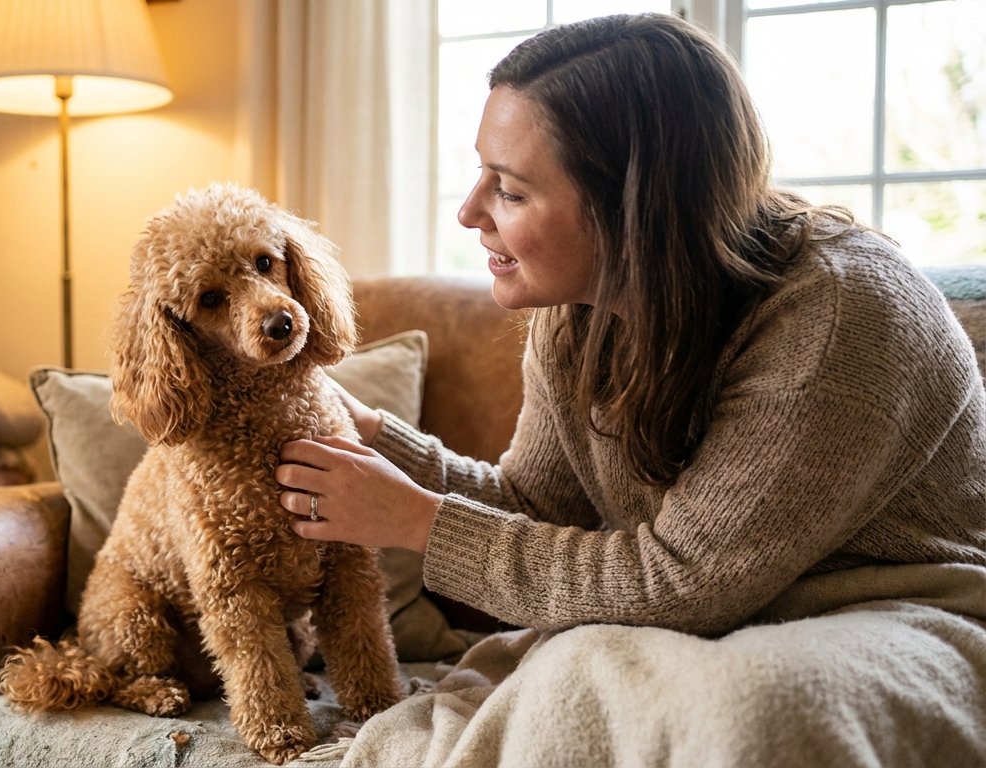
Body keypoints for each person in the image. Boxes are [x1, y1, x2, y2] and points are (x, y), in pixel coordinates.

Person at [274, 12, 986, 763]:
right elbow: (538, 508)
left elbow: (684, 581)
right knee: (589, 669)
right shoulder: (579, 308)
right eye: (480, 172)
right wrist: (375, 438)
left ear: (636, 207)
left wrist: (418, 521)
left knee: (763, 706)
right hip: (706, 626)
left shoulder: (843, 312)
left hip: (901, 616)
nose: (469, 211)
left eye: (510, 190)